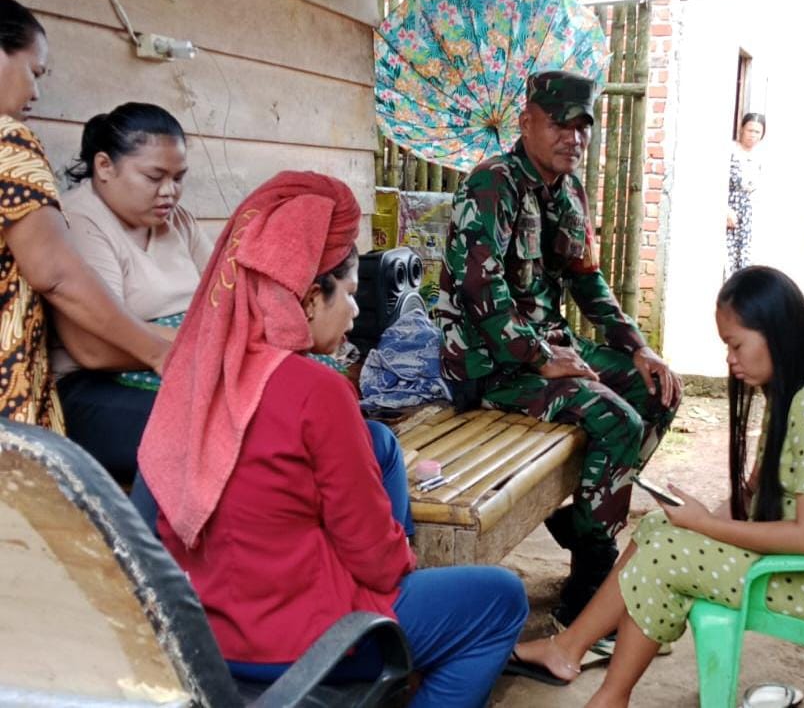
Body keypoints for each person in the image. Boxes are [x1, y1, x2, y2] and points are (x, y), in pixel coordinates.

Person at [138, 172, 532, 707]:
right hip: (302, 644)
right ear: (307, 299)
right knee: (501, 600)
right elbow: (376, 560)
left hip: (199, 637)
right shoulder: (316, 391)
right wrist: (399, 557)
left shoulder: (195, 376)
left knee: (378, 441)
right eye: (347, 293)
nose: (355, 309)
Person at [513, 265, 804, 707]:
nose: (730, 360)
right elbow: (754, 494)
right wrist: (701, 522)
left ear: (776, 331)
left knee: (666, 555)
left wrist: (705, 526)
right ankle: (575, 657)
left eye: (736, 344)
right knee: (658, 529)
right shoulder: (795, 391)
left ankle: (600, 687)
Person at [435, 70, 683, 625]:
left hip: (547, 351)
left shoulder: (568, 191)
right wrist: (541, 359)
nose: (574, 137)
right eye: (559, 124)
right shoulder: (491, 185)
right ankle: (589, 585)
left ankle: (583, 519)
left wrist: (638, 347)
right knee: (616, 420)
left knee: (659, 390)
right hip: (490, 365)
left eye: (582, 127)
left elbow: (587, 281)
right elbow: (479, 290)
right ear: (526, 123)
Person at [0, 0, 169, 433]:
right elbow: (55, 273)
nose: (36, 92)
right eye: (34, 72)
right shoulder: (8, 141)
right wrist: (158, 351)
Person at [50, 103, 210, 482]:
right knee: (209, 432)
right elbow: (93, 350)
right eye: (154, 177)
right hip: (92, 390)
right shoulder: (80, 220)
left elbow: (222, 296)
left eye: (178, 178)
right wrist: (197, 344)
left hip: (173, 365)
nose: (169, 192)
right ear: (105, 166)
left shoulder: (178, 221)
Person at [726, 112, 765, 275]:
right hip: (731, 210)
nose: (753, 135)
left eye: (757, 132)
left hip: (749, 214)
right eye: (750, 130)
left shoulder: (761, 157)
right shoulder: (730, 151)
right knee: (728, 257)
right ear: (742, 129)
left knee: (745, 259)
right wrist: (726, 209)